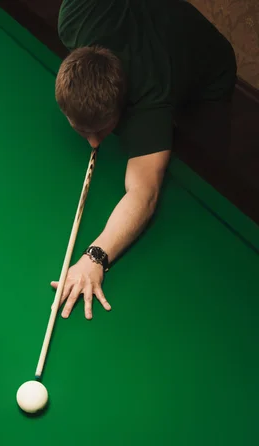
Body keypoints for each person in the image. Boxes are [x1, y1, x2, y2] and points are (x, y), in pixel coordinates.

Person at [51, 0, 237, 320]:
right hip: (151, 18)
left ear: (123, 109)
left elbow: (143, 193)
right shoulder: (76, 16)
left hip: (209, 68)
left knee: (202, 150)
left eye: (102, 130)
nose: (95, 143)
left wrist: (94, 258)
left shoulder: (150, 101)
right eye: (82, 131)